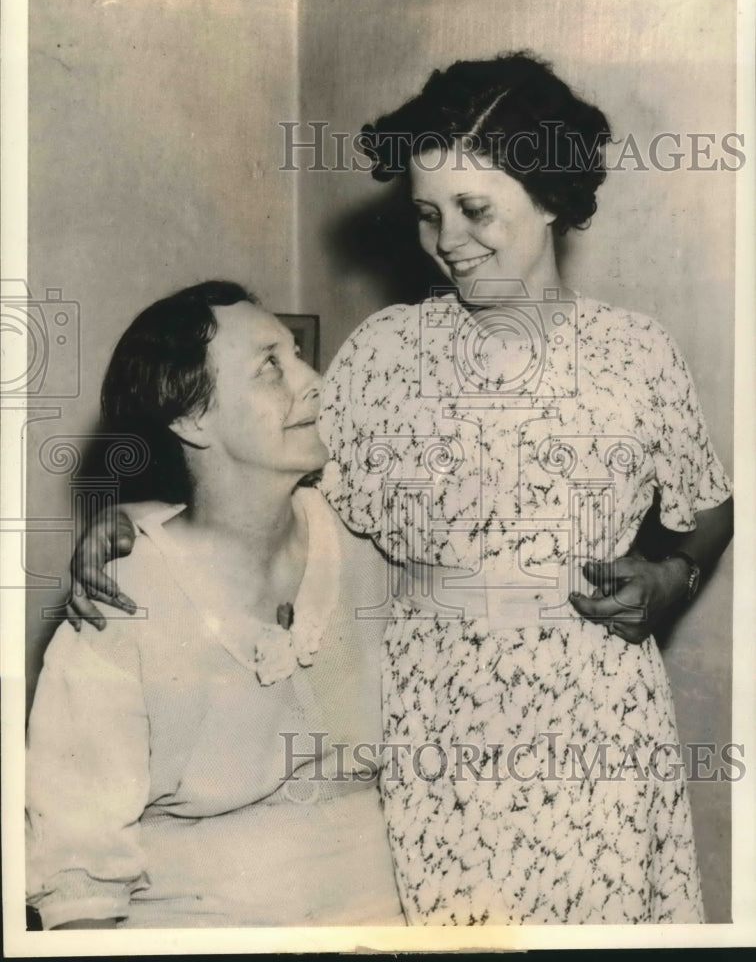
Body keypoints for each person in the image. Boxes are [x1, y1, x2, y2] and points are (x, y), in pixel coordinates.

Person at [68, 53, 733, 925]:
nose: (448, 240)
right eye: (427, 214)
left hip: (598, 717)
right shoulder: (386, 353)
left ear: (552, 194)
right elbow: (261, 478)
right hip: (437, 718)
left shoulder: (638, 354)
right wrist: (137, 521)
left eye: (473, 209)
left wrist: (671, 575)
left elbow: (706, 503)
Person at [26, 282, 404, 929]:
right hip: (199, 924)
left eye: (298, 355)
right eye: (270, 366)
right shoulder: (121, 598)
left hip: (388, 914)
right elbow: (79, 872)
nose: (314, 380)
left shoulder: (374, 540)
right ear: (191, 416)